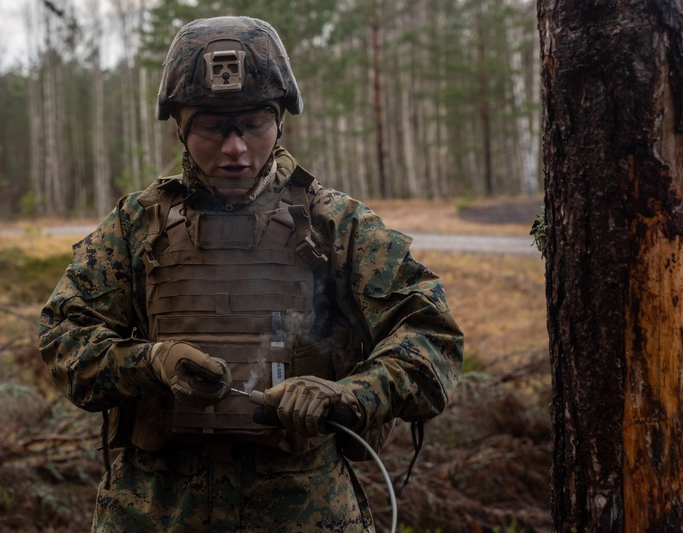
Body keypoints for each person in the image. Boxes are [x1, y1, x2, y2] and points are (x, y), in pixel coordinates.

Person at [39, 15, 463, 532]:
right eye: (214, 127)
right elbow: (63, 338)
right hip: (155, 511)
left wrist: (349, 394)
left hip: (303, 512)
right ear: (181, 127)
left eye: (254, 124)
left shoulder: (335, 225)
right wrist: (150, 363)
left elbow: (432, 338)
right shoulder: (137, 225)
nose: (235, 149)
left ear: (280, 121)